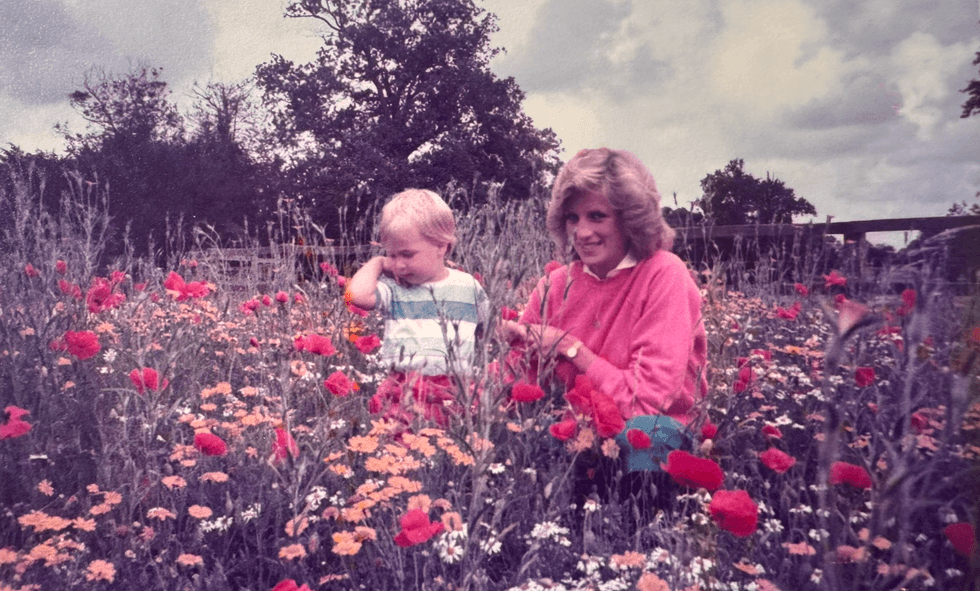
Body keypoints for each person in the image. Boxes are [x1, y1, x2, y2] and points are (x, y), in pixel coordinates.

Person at [504, 148, 708, 521]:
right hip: (576, 432)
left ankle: (645, 538)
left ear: (631, 219)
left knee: (644, 436)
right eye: (572, 218)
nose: (582, 233)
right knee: (513, 442)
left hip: (649, 434)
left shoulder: (664, 273)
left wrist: (569, 348)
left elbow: (647, 402)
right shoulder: (555, 284)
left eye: (597, 216)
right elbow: (517, 379)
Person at [346, 189, 489, 427]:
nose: (399, 265)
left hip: (454, 391)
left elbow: (488, 330)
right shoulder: (395, 289)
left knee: (450, 445)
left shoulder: (468, 287)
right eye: (392, 255)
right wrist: (378, 262)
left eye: (407, 254)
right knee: (400, 445)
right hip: (403, 391)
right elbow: (356, 296)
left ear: (442, 247)